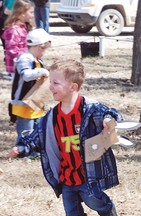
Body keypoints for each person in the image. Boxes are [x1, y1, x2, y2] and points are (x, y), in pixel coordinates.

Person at [8, 59, 121, 216]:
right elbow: (36, 136)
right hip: (66, 176)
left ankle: (108, 210)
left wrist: (108, 120)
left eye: (55, 83)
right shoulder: (51, 117)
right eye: (50, 82)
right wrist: (22, 148)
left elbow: (109, 113)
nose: (50, 87)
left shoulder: (89, 109)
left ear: (72, 87)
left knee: (95, 201)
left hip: (87, 175)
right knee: (72, 211)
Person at [9, 28, 50, 146]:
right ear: (40, 47)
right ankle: (22, 150)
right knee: (26, 130)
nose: (44, 52)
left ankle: (32, 150)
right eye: (44, 49)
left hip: (34, 102)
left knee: (36, 128)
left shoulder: (38, 60)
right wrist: (40, 71)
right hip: (23, 102)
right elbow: (26, 75)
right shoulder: (25, 59)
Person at [2, 0, 34, 80]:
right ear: (22, 14)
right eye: (31, 12)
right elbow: (12, 50)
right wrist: (27, 55)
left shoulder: (23, 28)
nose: (32, 15)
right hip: (17, 67)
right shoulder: (14, 30)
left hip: (23, 65)